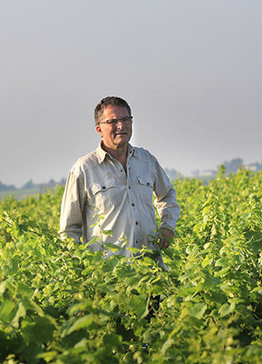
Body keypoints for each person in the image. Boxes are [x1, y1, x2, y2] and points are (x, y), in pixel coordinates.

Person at [59, 96, 180, 270]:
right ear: (99, 129)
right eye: (113, 121)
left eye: (125, 120)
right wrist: (82, 270)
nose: (121, 126)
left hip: (151, 271)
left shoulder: (146, 160)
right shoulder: (84, 169)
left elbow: (167, 195)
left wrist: (168, 226)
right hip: (109, 276)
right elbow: (69, 229)